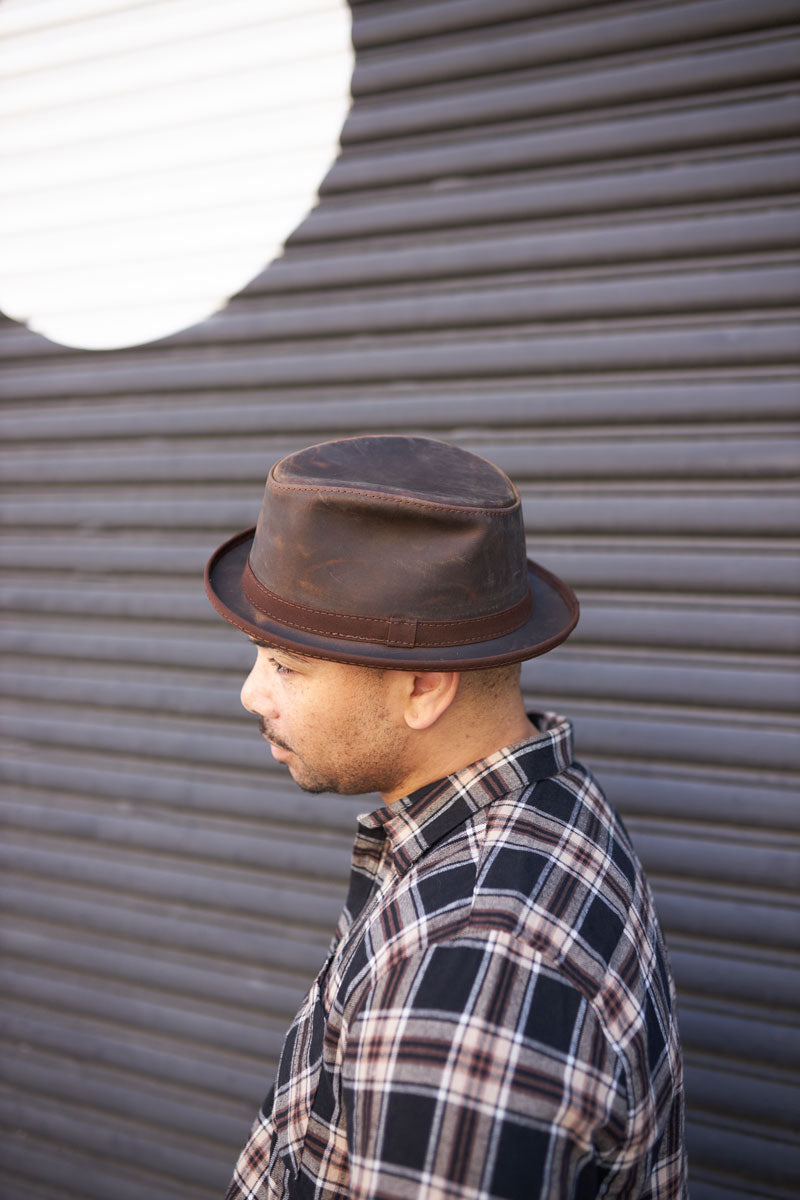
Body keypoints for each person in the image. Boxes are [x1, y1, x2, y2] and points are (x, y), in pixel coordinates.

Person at [205, 434, 686, 1200]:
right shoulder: (550, 804)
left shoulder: (470, 979)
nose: (251, 694)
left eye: (285, 664)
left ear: (423, 688)